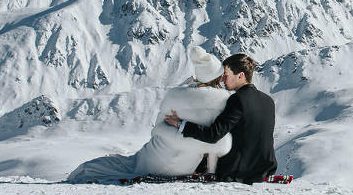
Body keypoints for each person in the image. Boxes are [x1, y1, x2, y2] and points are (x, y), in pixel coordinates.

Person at [66, 47, 230, 183]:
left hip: (157, 156)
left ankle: (78, 174)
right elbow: (217, 141)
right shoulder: (223, 102)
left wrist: (174, 130)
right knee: (123, 165)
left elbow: (158, 126)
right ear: (217, 78)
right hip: (185, 165)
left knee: (112, 165)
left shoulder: (176, 96)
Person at [164, 53, 277, 184]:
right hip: (264, 170)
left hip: (238, 171)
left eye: (226, 75)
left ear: (240, 76)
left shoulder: (237, 99)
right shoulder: (268, 101)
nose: (222, 80)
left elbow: (213, 135)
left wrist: (180, 124)